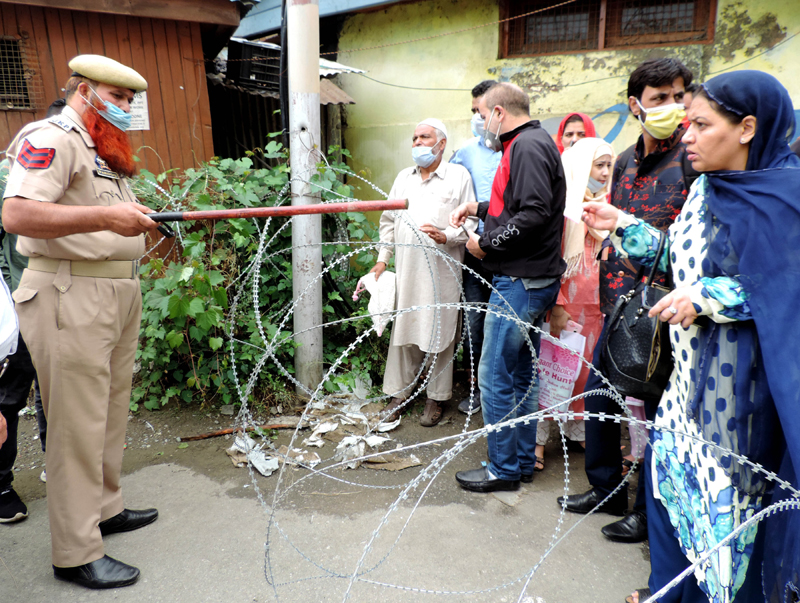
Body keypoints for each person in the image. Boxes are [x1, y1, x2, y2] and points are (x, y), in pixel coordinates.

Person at [583, 70, 800, 603]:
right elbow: (676, 262)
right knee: (673, 510)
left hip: (741, 410)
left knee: (728, 539)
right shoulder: (705, 191)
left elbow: (784, 284)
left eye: (702, 125)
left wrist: (709, 298)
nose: (687, 136)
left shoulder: (787, 196)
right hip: (683, 394)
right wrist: (621, 225)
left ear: (747, 127)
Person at [2, 54, 161, 589]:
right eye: (116, 98)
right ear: (84, 90)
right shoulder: (51, 137)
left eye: (130, 101)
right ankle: (74, 551)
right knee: (75, 422)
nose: (124, 108)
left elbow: (110, 216)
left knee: (110, 408)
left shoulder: (104, 149)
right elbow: (18, 213)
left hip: (115, 288)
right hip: (70, 290)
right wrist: (106, 218)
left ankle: (105, 508)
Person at [557, 57, 696, 545]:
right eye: (660, 99)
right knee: (602, 400)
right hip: (618, 298)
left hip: (666, 308)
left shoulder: (693, 161)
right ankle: (606, 489)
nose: (673, 108)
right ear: (636, 105)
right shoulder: (625, 160)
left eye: (679, 96)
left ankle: (647, 510)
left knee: (657, 413)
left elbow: (687, 244)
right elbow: (616, 222)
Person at [450, 82, 566, 493]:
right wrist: (479, 208)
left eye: (481, 114)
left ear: (499, 112)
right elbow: (517, 205)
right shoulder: (526, 143)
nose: (480, 122)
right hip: (530, 278)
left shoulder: (527, 146)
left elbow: (534, 213)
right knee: (518, 374)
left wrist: (484, 242)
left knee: (494, 373)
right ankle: (516, 461)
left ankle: (502, 469)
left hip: (520, 281)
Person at [372, 118, 477, 427]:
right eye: (414, 138)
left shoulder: (458, 176)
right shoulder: (404, 177)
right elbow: (388, 220)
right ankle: (398, 394)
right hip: (407, 269)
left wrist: (448, 235)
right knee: (405, 331)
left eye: (424, 137)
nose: (417, 143)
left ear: (441, 143)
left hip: (443, 270)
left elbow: (470, 225)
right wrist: (382, 258)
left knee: (441, 333)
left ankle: (436, 397)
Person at [0, 99, 64, 523]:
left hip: (67, 300)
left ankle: (58, 470)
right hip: (21, 302)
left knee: (58, 394)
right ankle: (1, 484)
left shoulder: (83, 171)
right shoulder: (17, 176)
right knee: (10, 394)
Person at [534, 136, 614, 472]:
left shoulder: (607, 207)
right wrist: (559, 304)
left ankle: (578, 430)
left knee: (584, 373)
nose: (606, 172)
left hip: (597, 304)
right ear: (583, 167)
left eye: (610, 165)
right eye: (600, 165)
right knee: (553, 368)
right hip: (566, 303)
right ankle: (537, 442)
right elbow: (553, 260)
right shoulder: (565, 209)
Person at [449, 80, 501, 416]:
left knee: (509, 327)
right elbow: (454, 196)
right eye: (473, 113)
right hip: (475, 250)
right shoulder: (465, 153)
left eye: (480, 111)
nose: (476, 119)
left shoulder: (517, 151)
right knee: (476, 322)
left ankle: (503, 392)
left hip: (511, 253)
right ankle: (478, 390)